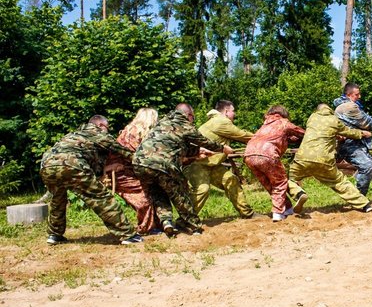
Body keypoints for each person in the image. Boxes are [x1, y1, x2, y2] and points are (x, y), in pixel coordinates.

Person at [39, 115, 141, 245]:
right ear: (100, 125)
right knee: (101, 198)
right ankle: (128, 235)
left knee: (57, 200)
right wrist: (146, 161)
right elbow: (124, 152)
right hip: (71, 164)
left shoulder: (74, 134)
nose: (108, 131)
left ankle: (54, 235)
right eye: (107, 128)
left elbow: (92, 163)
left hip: (47, 165)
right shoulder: (98, 133)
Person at [132, 103, 231, 236]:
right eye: (193, 118)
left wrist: (198, 152)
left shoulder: (163, 122)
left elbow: (175, 144)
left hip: (139, 164)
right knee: (180, 193)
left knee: (158, 192)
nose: (193, 121)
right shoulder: (184, 124)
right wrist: (223, 148)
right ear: (188, 115)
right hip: (162, 164)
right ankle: (193, 226)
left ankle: (166, 221)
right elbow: (203, 140)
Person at [289, 104, 372, 213]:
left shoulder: (312, 118)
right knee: (339, 182)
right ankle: (364, 205)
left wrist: (334, 135)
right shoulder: (334, 120)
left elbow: (320, 133)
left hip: (302, 158)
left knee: (289, 179)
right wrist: (362, 133)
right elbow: (349, 132)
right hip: (324, 159)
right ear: (330, 110)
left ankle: (299, 193)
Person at [184, 100, 256, 218]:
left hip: (211, 164)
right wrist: (265, 136)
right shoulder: (221, 121)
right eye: (233, 111)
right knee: (202, 189)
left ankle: (247, 213)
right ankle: (185, 219)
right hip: (196, 163)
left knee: (231, 180)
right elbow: (243, 135)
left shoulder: (215, 121)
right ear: (226, 111)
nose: (235, 114)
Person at [244, 105, 307, 222]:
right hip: (267, 154)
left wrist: (289, 138)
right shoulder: (283, 122)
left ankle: (287, 208)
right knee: (280, 182)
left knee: (269, 183)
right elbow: (301, 132)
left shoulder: (265, 125)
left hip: (249, 155)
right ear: (283, 114)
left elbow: (276, 137)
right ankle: (277, 213)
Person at [104, 108, 160, 235]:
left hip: (126, 171)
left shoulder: (132, 131)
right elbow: (139, 157)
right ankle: (147, 228)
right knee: (143, 198)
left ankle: (154, 225)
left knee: (149, 193)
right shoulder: (134, 133)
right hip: (120, 173)